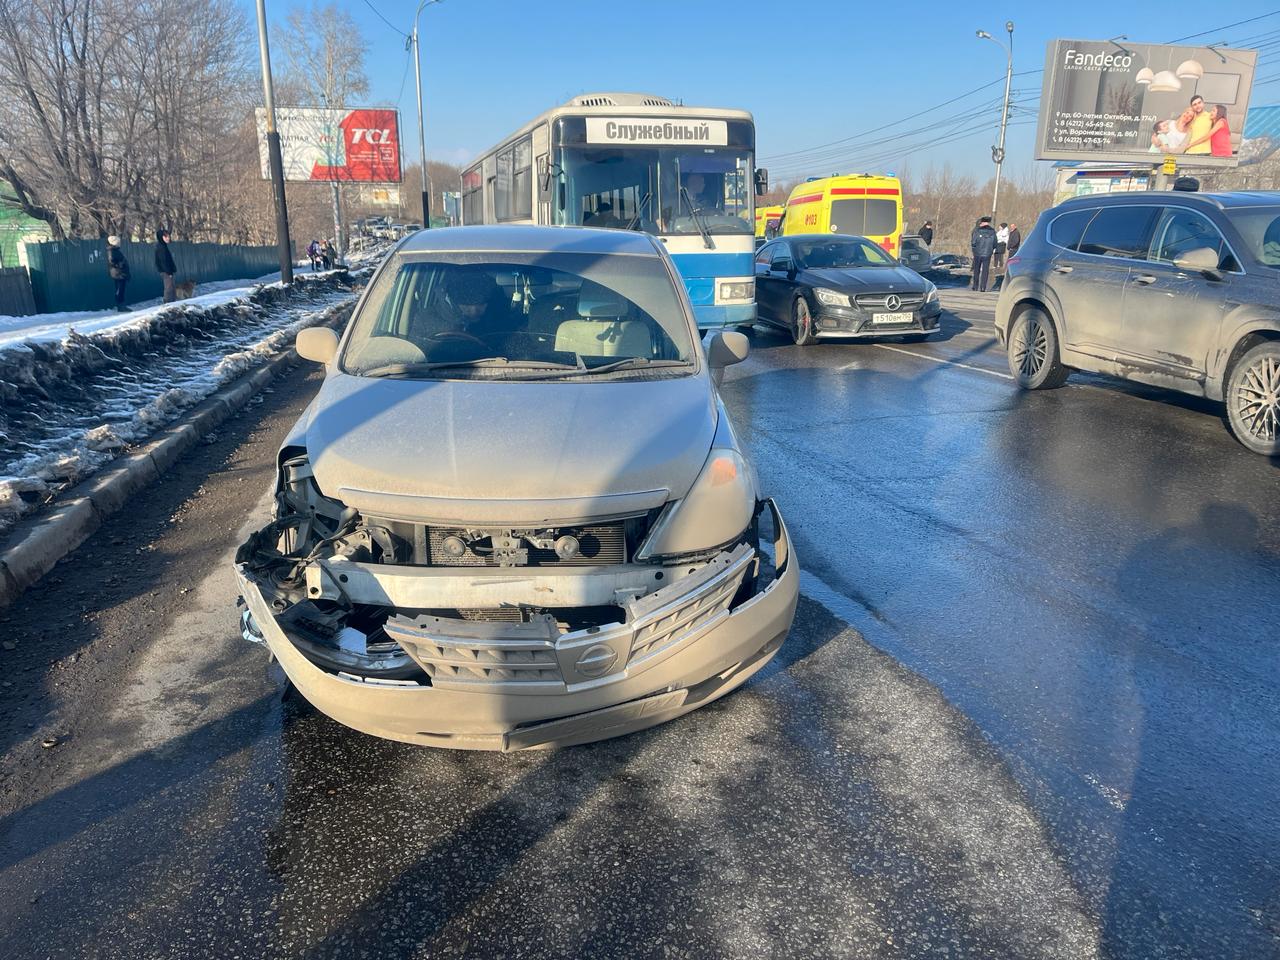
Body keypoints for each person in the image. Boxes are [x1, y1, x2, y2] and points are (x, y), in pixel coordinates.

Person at [970, 216, 996, 293]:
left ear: (982, 222)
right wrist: (991, 249)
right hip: (988, 253)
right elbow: (995, 243)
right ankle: (983, 287)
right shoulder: (993, 231)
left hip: (978, 253)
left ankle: (975, 286)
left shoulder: (977, 231)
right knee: (985, 270)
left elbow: (973, 242)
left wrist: (974, 250)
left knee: (976, 270)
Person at [106, 235, 130, 312]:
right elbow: (112, 261)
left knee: (121, 289)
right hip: (118, 273)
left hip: (119, 273)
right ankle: (121, 306)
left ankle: (122, 305)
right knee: (120, 290)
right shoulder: (112, 251)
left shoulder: (115, 250)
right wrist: (121, 264)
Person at [154, 228, 177, 303]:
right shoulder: (161, 247)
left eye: (168, 236)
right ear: (162, 237)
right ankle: (167, 303)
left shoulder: (163, 246)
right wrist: (169, 272)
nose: (168, 238)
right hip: (166, 271)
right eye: (166, 236)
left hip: (167, 270)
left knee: (172, 287)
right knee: (169, 288)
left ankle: (172, 302)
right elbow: (163, 261)